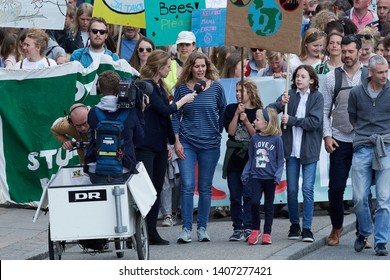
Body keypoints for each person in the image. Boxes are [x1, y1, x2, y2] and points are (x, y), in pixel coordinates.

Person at [137, 50, 197, 245]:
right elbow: (164, 110)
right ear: (157, 66)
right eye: (167, 65)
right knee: (144, 190)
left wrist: (173, 141)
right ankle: (138, 231)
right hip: (145, 145)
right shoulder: (145, 86)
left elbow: (167, 118)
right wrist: (182, 101)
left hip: (160, 145)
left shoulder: (160, 86)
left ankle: (151, 230)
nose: (170, 68)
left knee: (155, 189)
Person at [172, 52, 227, 243]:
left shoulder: (217, 87)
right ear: (190, 68)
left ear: (208, 67)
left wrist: (217, 131)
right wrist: (177, 140)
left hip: (210, 144)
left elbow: (222, 110)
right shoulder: (180, 89)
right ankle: (186, 228)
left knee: (205, 187)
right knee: (187, 185)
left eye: (203, 66)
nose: (200, 69)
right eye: (196, 66)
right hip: (187, 142)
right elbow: (174, 115)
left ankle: (202, 228)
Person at [323, 34, 371, 247]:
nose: (347, 55)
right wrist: (327, 135)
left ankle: (363, 233)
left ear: (360, 51)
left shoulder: (369, 75)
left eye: (350, 51)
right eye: (343, 51)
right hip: (340, 138)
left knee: (364, 190)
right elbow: (325, 110)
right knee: (335, 188)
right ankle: (336, 227)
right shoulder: (332, 77)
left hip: (364, 139)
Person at [268, 65, 324, 243]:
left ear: (311, 80)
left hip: (309, 150)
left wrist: (291, 120)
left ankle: (307, 228)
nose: (299, 79)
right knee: (292, 190)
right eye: (297, 76)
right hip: (291, 150)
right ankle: (294, 224)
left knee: (307, 189)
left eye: (303, 76)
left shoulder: (317, 97)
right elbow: (269, 111)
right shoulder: (289, 94)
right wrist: (280, 104)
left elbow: (314, 122)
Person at [348, 54, 390, 256]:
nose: (385, 75)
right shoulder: (356, 92)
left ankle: (381, 241)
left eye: (386, 71)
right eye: (381, 72)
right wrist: (364, 137)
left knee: (383, 198)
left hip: (386, 146)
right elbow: (352, 118)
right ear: (370, 72)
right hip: (363, 146)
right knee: (358, 197)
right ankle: (364, 231)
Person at [84, 70, 144, 184]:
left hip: (96, 169)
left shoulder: (92, 112)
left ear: (99, 89)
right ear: (119, 88)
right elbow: (140, 139)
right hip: (123, 167)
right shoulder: (130, 112)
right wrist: (140, 112)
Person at [222, 79, 263, 242]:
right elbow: (231, 132)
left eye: (241, 91)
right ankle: (237, 227)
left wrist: (246, 120)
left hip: (250, 158)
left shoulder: (258, 112)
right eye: (237, 91)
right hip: (234, 158)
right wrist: (237, 114)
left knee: (248, 194)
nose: (238, 93)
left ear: (250, 92)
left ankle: (248, 226)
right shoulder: (231, 108)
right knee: (235, 195)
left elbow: (256, 136)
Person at [241, 108, 284, 245]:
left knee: (269, 206)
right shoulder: (254, 139)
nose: (254, 122)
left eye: (257, 120)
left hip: (270, 178)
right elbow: (251, 158)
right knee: (254, 202)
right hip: (256, 177)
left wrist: (277, 176)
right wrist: (245, 172)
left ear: (266, 123)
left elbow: (280, 160)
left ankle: (267, 233)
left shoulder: (277, 139)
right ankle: (255, 229)